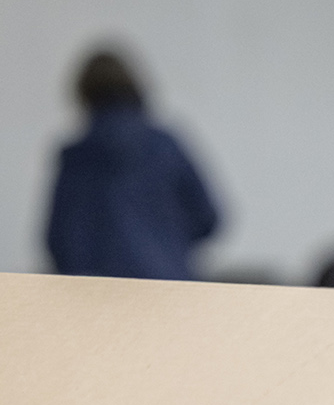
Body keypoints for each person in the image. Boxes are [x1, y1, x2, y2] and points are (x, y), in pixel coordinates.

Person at [45, 49, 220, 280]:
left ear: (83, 94)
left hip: (94, 298)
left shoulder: (77, 157)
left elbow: (58, 239)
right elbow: (208, 218)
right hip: (168, 291)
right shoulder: (166, 147)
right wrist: (166, 246)